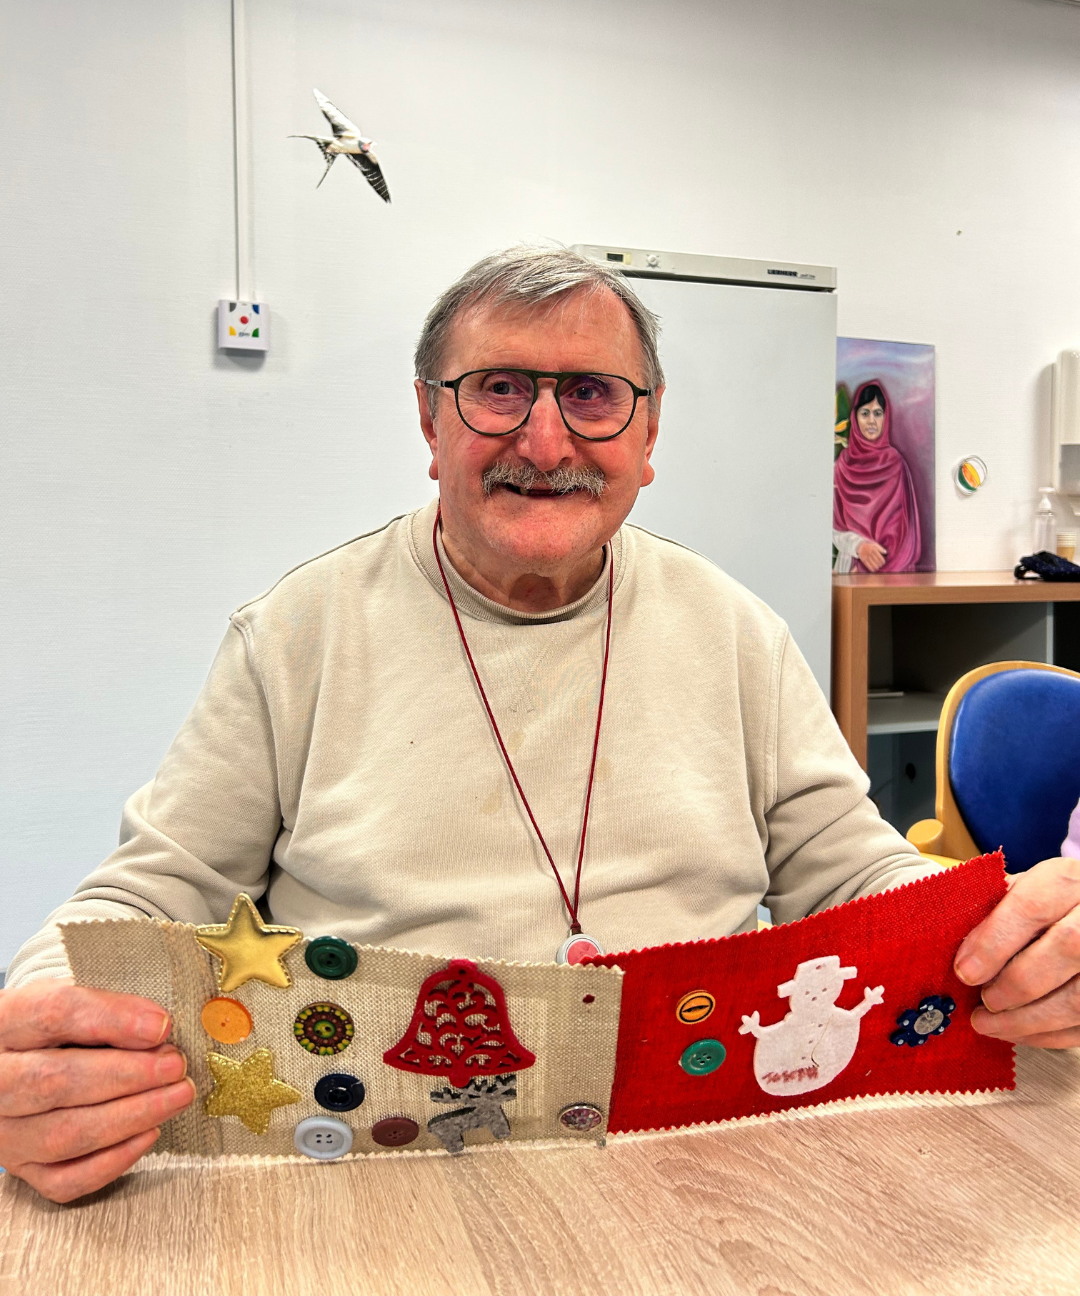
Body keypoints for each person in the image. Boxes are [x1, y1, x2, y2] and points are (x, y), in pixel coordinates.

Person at [2, 247, 1079, 1205]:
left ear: (648, 433)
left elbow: (856, 878)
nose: (546, 438)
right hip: (375, 1175)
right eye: (500, 389)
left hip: (701, 1160)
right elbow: (142, 899)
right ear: (429, 420)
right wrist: (41, 1030)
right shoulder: (293, 635)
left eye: (593, 394)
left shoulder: (738, 632)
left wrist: (1014, 943)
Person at [832, 381, 921, 573]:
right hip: (850, 572)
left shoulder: (896, 465)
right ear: (855, 418)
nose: (872, 421)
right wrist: (859, 546)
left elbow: (907, 534)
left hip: (892, 574)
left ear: (885, 419)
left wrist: (875, 568)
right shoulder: (841, 466)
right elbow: (834, 528)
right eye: (865, 413)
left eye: (878, 413)